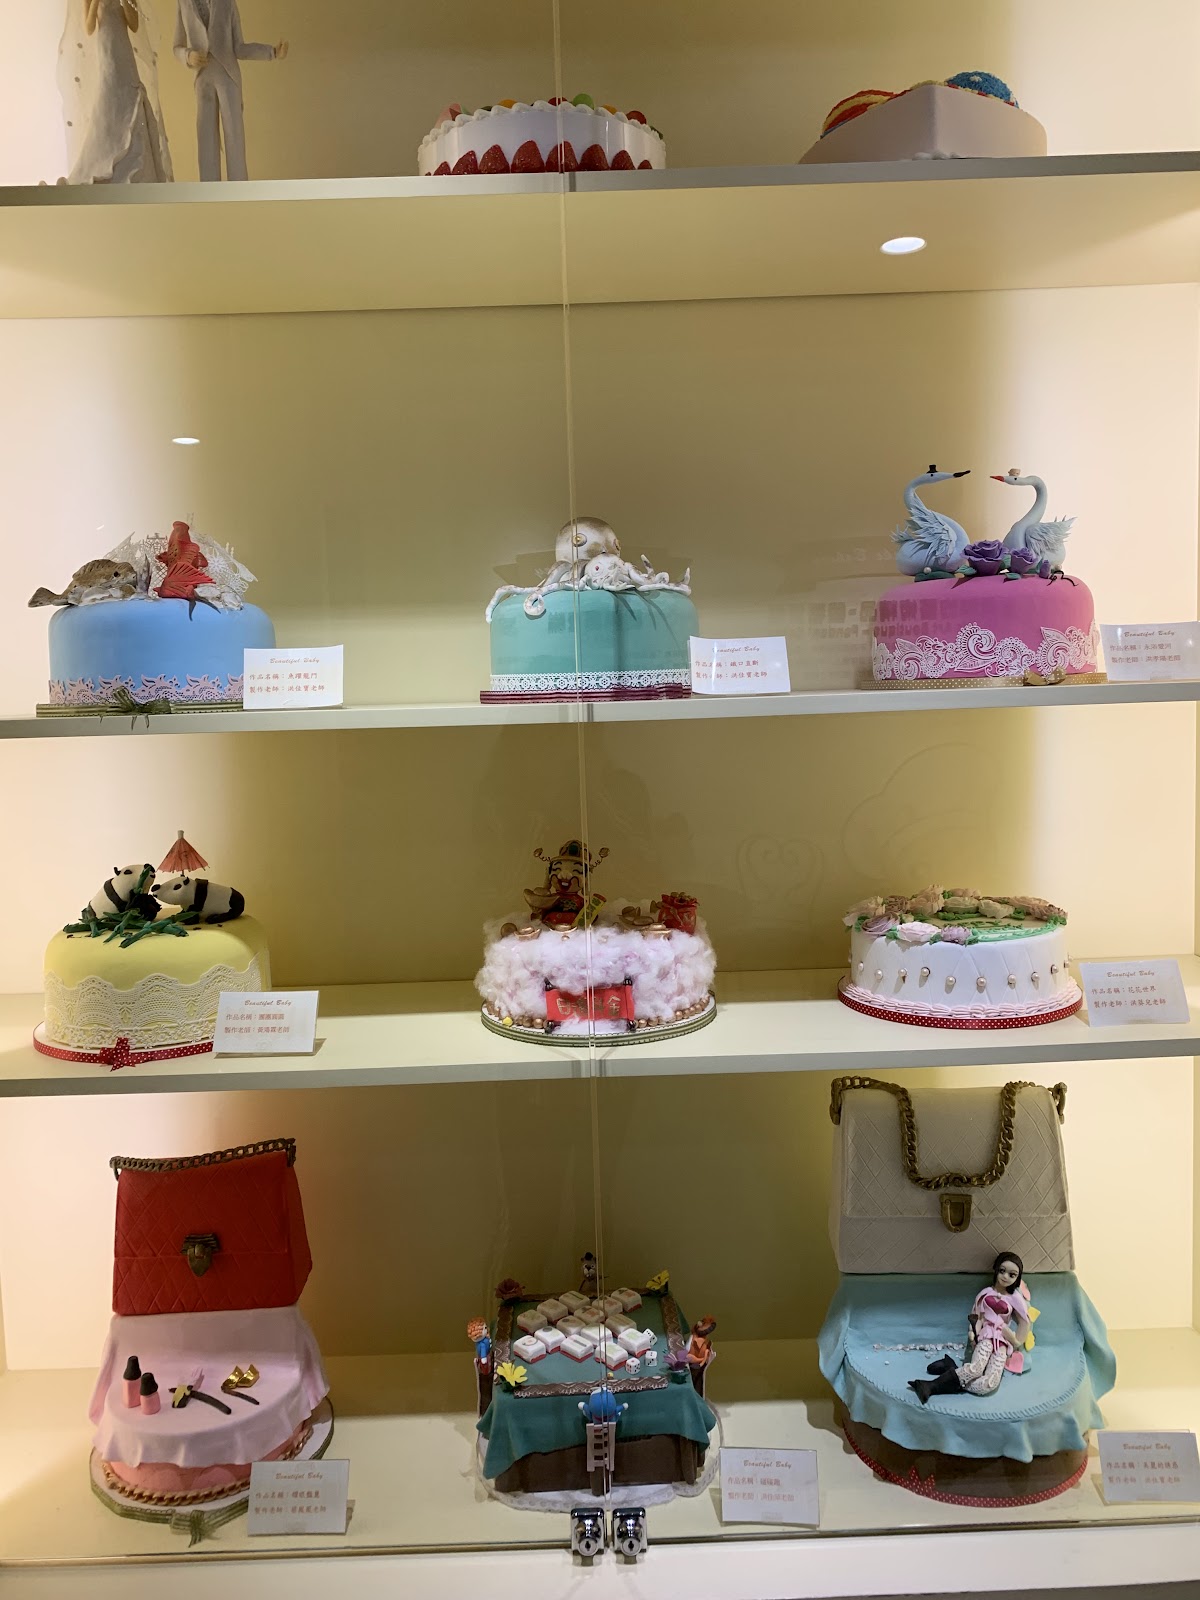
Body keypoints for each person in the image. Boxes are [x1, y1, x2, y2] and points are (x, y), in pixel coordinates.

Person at [59, 0, 173, 184]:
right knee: (110, 93)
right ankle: (106, 159)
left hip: (123, 45)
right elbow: (89, 27)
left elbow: (134, 24)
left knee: (130, 91)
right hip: (106, 43)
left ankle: (139, 167)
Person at [173, 0, 287, 181]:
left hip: (228, 78)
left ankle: (239, 187)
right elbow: (176, 46)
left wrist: (272, 52)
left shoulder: (227, 3)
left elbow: (239, 48)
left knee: (234, 137)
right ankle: (209, 190)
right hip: (203, 80)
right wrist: (188, 55)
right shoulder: (183, 3)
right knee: (205, 139)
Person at [909, 1251, 1034, 1405]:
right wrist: (972, 1332)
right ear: (996, 1270)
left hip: (1002, 1341)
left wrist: (1015, 1340)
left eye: (1012, 1275)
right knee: (975, 1369)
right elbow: (977, 1316)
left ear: (1017, 1277)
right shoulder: (985, 1294)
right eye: (1002, 1271)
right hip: (986, 1335)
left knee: (989, 1384)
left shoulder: (1015, 1298)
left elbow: (1024, 1322)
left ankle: (949, 1370)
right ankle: (931, 1386)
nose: (1005, 1277)